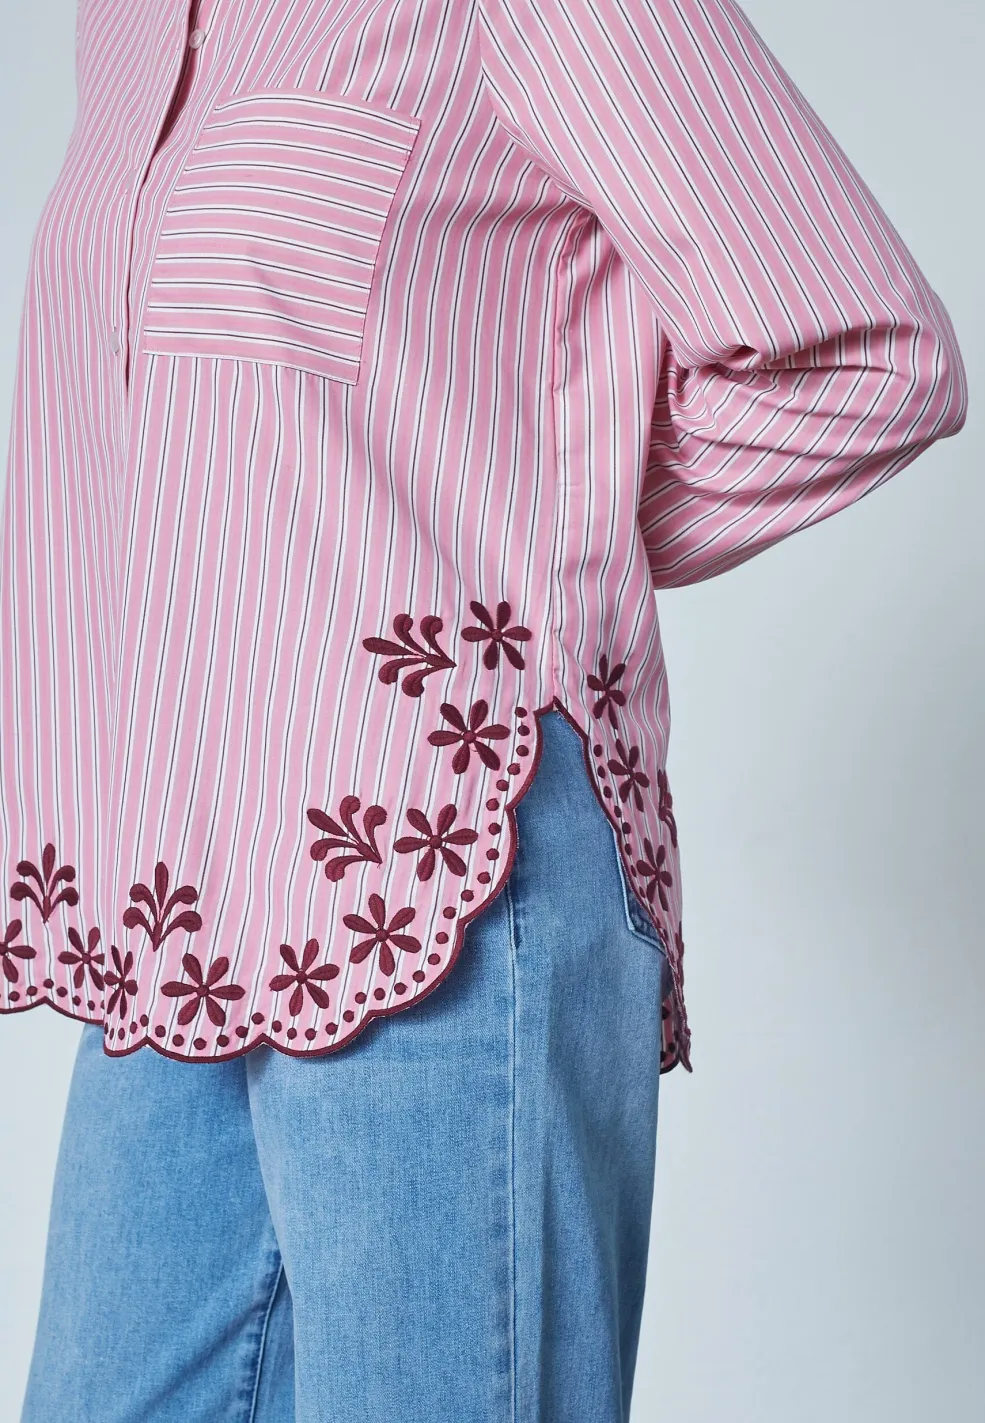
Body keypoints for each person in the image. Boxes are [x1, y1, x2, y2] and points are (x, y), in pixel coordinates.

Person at [0, 1, 966, 1420]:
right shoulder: (131, 21)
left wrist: (541, 553)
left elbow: (873, 354)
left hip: (440, 852)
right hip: (176, 893)